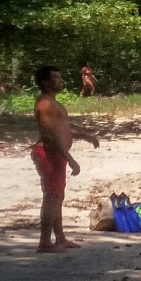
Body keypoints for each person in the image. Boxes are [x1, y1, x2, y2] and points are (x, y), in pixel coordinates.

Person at [32, 66, 99, 252]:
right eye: (56, 78)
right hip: (49, 153)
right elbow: (49, 135)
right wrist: (69, 158)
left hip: (56, 153)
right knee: (51, 197)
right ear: (45, 82)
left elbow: (60, 129)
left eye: (61, 77)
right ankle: (44, 242)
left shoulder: (51, 102)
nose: (61, 81)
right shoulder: (45, 104)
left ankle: (60, 238)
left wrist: (83, 135)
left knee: (57, 197)